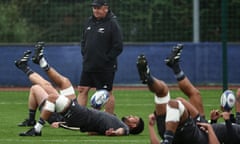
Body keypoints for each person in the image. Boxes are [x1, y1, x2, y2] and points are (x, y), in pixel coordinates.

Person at [15, 43, 143, 136]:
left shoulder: (124, 128)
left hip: (70, 116)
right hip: (81, 112)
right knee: (64, 82)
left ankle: (37, 129)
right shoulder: (114, 119)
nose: (131, 116)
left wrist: (115, 133)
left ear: (133, 125)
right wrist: (97, 111)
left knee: (43, 90)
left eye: (134, 118)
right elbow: (92, 130)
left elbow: (122, 132)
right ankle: (36, 63)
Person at [136, 45, 219, 144]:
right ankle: (148, 78)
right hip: (170, 129)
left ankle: (167, 69)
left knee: (177, 102)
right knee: (163, 91)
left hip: (189, 133)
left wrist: (215, 125)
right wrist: (151, 126)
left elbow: (180, 101)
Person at [78, 0, 123, 114]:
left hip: (105, 67)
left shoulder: (112, 23)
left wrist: (106, 59)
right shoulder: (89, 21)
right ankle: (79, 119)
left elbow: (118, 46)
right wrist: (85, 53)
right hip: (88, 64)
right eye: (94, 8)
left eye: (98, 8)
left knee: (105, 92)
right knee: (82, 89)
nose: (95, 10)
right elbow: (84, 41)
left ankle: (109, 120)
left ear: (105, 8)